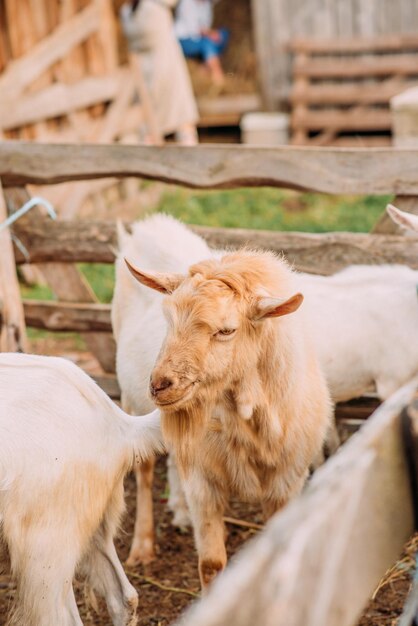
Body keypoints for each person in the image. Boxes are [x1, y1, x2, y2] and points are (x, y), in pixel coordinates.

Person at [120, 0, 199, 145]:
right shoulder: (130, 10)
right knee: (153, 121)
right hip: (150, 68)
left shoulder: (144, 7)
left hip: (158, 66)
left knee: (175, 117)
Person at [175, 0, 229, 87]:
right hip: (185, 40)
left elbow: (206, 25)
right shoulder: (187, 3)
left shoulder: (207, 4)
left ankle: (205, 68)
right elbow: (193, 29)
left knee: (224, 34)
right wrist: (211, 34)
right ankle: (218, 76)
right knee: (207, 43)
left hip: (201, 38)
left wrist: (213, 34)